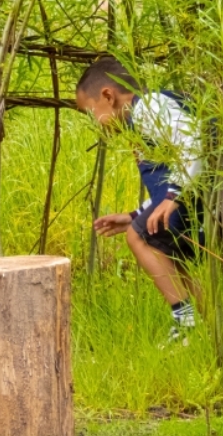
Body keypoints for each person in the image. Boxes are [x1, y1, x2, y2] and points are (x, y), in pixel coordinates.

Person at [76, 56, 204, 340]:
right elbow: (166, 186)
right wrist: (135, 215)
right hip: (197, 189)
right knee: (168, 251)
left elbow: (193, 142)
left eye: (91, 113)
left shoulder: (148, 109)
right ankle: (209, 329)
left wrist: (176, 195)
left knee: (139, 237)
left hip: (208, 187)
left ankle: (185, 322)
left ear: (108, 96)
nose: (96, 124)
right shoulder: (143, 119)